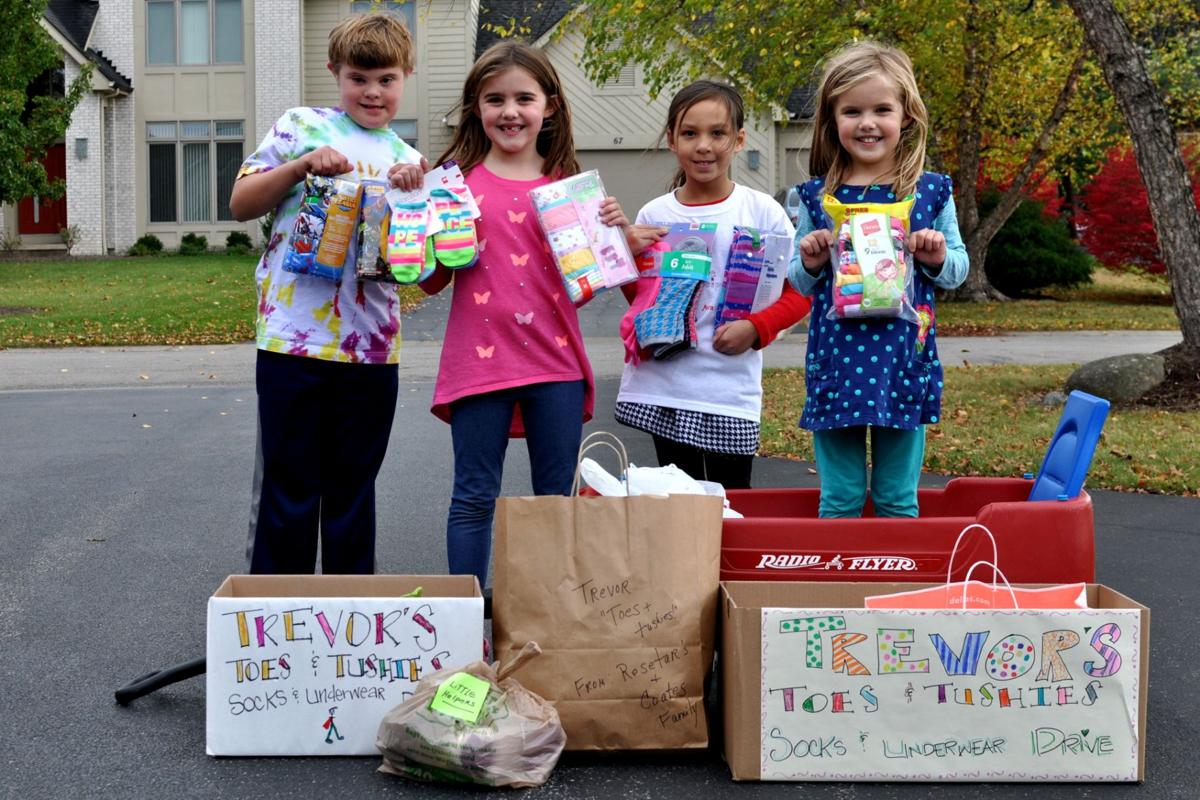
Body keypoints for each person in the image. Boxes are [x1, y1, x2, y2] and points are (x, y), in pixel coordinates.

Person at [420, 42, 629, 588]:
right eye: (494, 99)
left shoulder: (571, 190)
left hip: (555, 365)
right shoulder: (452, 183)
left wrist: (615, 233)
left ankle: (553, 624)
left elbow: (593, 285)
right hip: (479, 366)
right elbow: (432, 279)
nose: (509, 111)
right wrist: (415, 221)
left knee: (555, 502)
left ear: (550, 106)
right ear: (476, 108)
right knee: (472, 496)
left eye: (523, 98)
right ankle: (468, 627)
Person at [230, 13, 426, 573]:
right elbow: (241, 203)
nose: (372, 91)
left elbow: (418, 267)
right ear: (335, 72)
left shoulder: (409, 161)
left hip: (370, 350)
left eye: (386, 79)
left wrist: (419, 199)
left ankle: (346, 630)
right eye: (358, 77)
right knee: (289, 493)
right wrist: (299, 168)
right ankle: (278, 628)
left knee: (351, 495)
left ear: (406, 75)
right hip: (292, 342)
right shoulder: (300, 126)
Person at [787, 41, 969, 518]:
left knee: (896, 500)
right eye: (852, 111)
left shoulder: (929, 191)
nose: (867, 122)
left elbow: (957, 271)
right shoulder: (815, 198)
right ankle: (837, 590)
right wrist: (809, 260)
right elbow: (798, 283)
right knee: (841, 499)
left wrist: (935, 255)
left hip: (903, 363)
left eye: (881, 109)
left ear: (906, 115)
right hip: (837, 365)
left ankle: (895, 585)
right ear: (833, 119)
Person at [614, 80, 812, 489]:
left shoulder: (762, 212)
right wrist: (629, 258)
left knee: (733, 502)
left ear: (738, 140)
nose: (703, 145)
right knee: (678, 506)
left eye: (717, 133)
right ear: (672, 140)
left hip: (728, 391)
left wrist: (756, 329)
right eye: (690, 133)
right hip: (665, 388)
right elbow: (643, 300)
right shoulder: (656, 213)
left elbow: (800, 292)